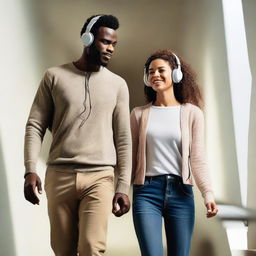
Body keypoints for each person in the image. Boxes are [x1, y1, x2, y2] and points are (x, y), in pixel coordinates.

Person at [24, 14, 132, 256]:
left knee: (92, 247)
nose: (110, 48)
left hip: (100, 176)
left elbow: (123, 139)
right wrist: (30, 169)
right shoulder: (54, 76)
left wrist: (123, 185)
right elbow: (35, 125)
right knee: (63, 251)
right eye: (105, 42)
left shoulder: (118, 85)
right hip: (59, 175)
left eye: (114, 44)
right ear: (88, 38)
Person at [130, 49, 218, 256]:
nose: (155, 75)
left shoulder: (192, 113)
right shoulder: (138, 114)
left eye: (161, 70)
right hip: (146, 192)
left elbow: (198, 158)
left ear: (176, 74)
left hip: (181, 192)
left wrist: (208, 194)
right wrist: (120, 190)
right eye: (150, 72)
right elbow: (130, 158)